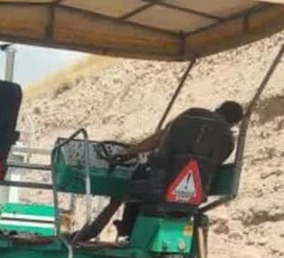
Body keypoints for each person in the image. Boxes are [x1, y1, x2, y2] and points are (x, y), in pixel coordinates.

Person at [72, 100, 245, 243]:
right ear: (235, 123)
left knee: (132, 182)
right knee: (148, 184)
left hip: (159, 184)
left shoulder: (192, 116)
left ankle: (109, 229)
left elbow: (159, 139)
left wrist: (130, 151)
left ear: (218, 108)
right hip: (194, 195)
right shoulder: (228, 142)